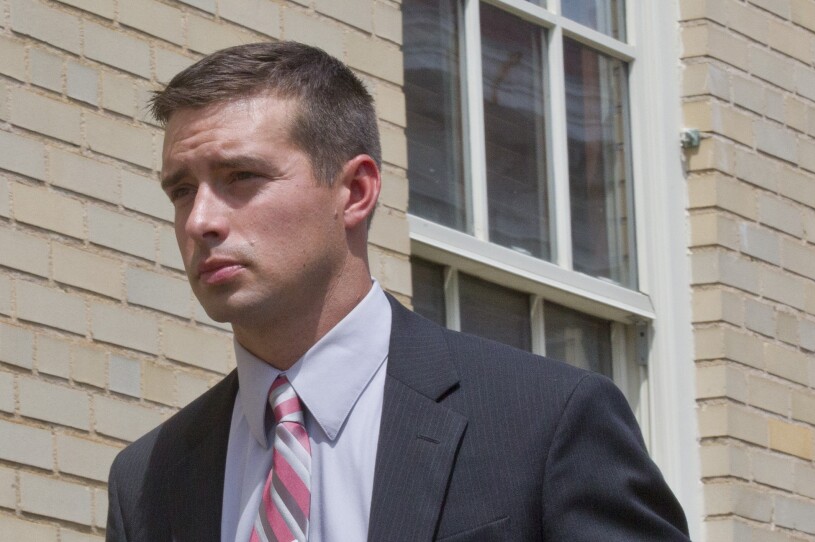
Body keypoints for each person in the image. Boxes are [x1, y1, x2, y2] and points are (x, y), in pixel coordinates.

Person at [106, 41, 690, 542]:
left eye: (241, 178)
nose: (200, 220)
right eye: (181, 190)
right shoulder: (147, 479)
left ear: (356, 191)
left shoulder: (547, 421)